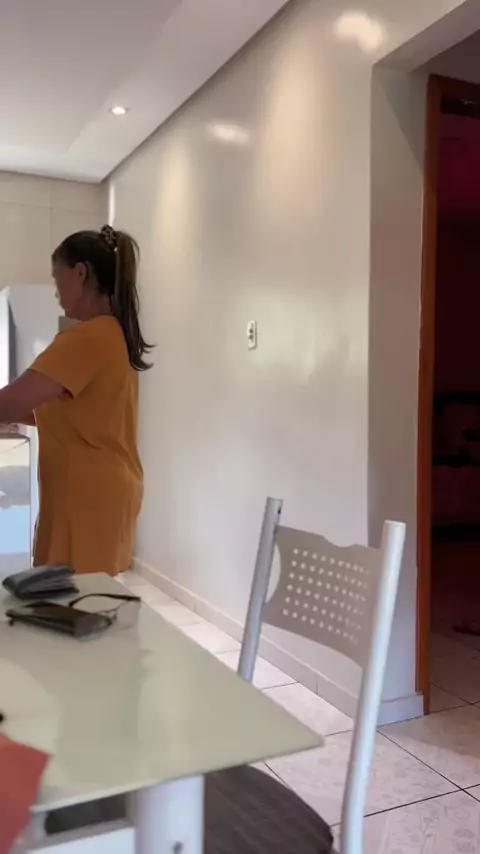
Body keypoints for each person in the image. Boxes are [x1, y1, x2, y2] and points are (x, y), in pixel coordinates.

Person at [0, 225, 151, 575]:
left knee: (69, 594)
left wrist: (9, 410)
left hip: (87, 496)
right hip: (107, 489)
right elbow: (74, 415)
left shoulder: (87, 338)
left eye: (57, 280)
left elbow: (8, 404)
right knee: (86, 594)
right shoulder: (114, 334)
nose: (56, 292)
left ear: (80, 273)